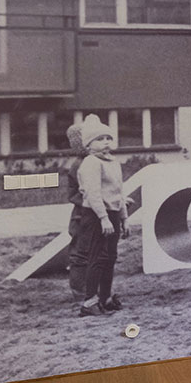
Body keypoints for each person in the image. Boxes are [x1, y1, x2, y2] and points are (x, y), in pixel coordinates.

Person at [76, 114, 129, 317]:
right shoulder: (91, 163)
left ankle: (105, 297)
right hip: (96, 215)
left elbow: (119, 192)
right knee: (97, 257)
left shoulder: (113, 162)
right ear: (89, 145)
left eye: (108, 138)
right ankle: (89, 301)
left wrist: (124, 218)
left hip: (112, 214)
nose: (105, 142)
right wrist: (103, 218)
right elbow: (93, 193)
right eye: (99, 139)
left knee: (110, 257)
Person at [65, 120, 88, 304]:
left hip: (91, 213)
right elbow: (78, 193)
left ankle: (91, 291)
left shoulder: (93, 162)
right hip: (82, 216)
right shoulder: (80, 165)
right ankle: (80, 293)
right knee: (80, 254)